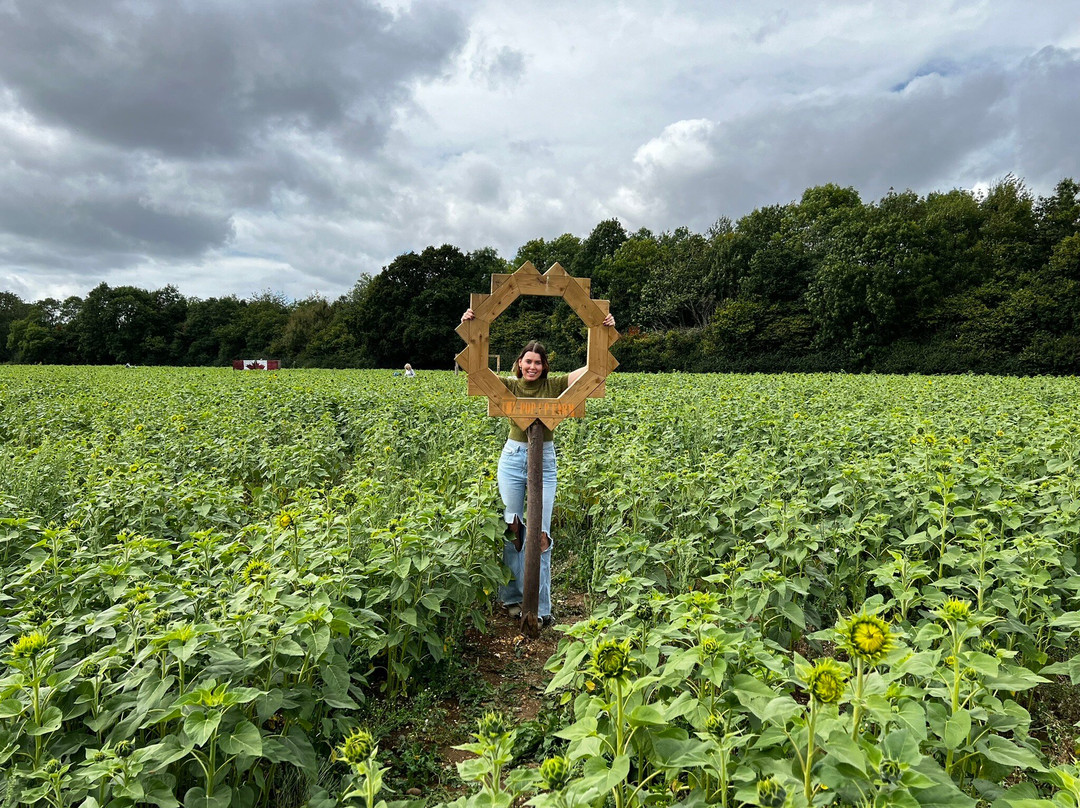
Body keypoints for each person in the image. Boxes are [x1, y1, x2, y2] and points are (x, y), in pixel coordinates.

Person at [460, 307, 615, 626]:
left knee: (540, 535)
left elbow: (593, 371)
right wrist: (470, 327)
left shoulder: (555, 384)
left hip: (544, 458)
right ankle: (513, 599)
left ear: (544, 366)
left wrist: (605, 332)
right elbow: (475, 371)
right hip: (513, 458)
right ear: (519, 363)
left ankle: (541, 608)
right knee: (512, 529)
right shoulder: (510, 386)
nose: (532, 366)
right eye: (527, 360)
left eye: (538, 361)